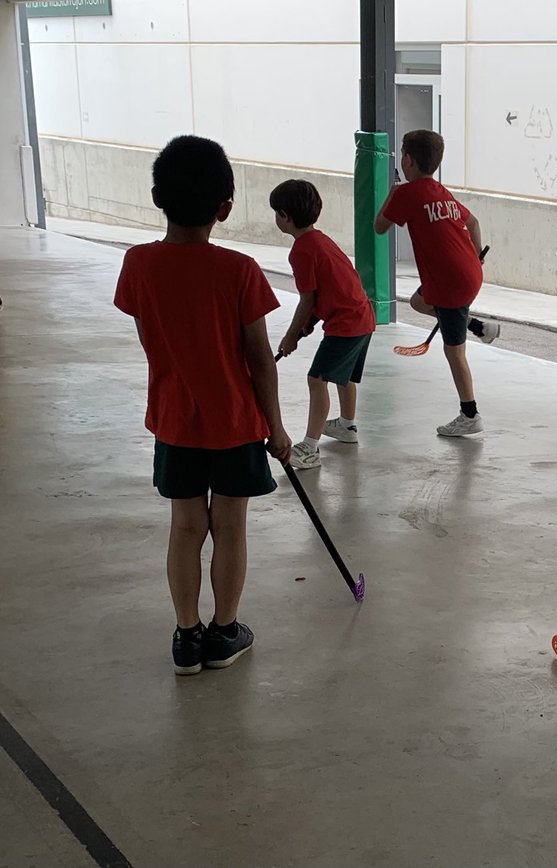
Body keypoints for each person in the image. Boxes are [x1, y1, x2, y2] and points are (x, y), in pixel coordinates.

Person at [114, 135, 291, 675]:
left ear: (157, 198)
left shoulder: (138, 265)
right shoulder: (239, 271)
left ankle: (186, 638)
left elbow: (152, 339)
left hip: (174, 420)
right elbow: (260, 359)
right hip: (236, 424)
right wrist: (277, 429)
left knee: (186, 525)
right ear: (225, 208)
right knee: (230, 525)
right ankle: (224, 632)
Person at [373, 129, 498, 437]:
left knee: (454, 352)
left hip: (451, 283)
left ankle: (470, 414)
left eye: (402, 153)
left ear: (408, 160)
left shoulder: (407, 194)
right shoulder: (439, 191)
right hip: (469, 271)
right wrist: (476, 255)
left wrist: (392, 190)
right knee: (418, 302)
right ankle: (477, 326)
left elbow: (379, 227)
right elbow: (472, 222)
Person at [271, 179, 376, 469]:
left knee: (317, 379)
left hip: (346, 324)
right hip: (362, 318)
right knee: (344, 377)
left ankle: (310, 448)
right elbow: (324, 293)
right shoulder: (321, 240)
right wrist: (311, 322)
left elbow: (306, 300)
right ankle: (347, 426)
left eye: (276, 213)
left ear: (285, 216)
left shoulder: (302, 251)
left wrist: (291, 335)